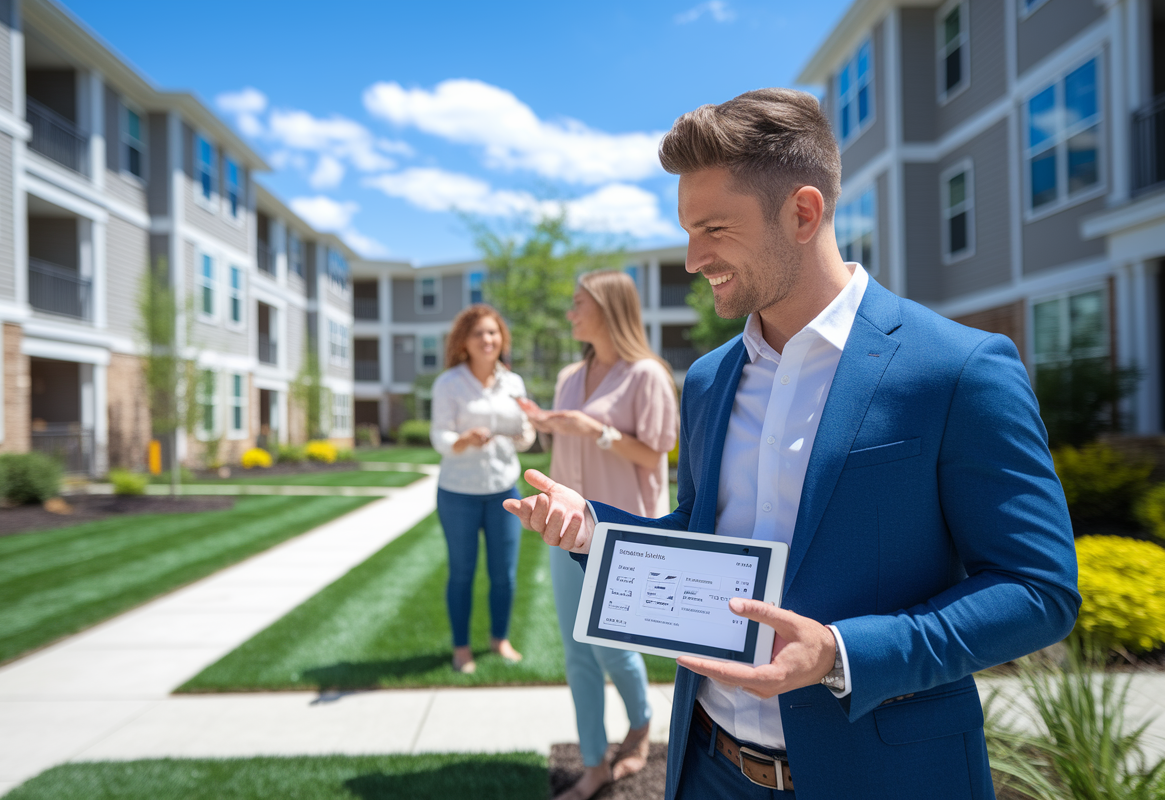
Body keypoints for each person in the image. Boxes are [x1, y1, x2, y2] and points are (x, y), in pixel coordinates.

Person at [504, 89, 1080, 799]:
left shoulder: (958, 369)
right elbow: (706, 536)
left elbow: (1039, 589)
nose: (692, 259)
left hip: (881, 777)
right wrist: (594, 530)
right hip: (709, 767)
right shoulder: (712, 378)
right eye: (688, 231)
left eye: (713, 229)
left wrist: (841, 653)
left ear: (803, 213)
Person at [518, 270, 678, 800]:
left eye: (578, 302)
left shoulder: (646, 375)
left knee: (611, 648)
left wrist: (597, 431)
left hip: (620, 534)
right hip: (566, 533)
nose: (570, 313)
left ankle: (641, 721)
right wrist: (539, 425)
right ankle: (592, 764)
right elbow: (562, 452)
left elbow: (655, 454)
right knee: (576, 650)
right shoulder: (569, 376)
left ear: (608, 308)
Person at [430, 304, 536, 674]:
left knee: (504, 574)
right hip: (458, 492)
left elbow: (525, 435)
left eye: (493, 332)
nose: (487, 339)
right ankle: (461, 649)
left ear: (501, 338)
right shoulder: (449, 383)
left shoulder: (514, 383)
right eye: (479, 333)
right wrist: (461, 440)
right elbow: (439, 434)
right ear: (464, 341)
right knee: (462, 571)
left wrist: (528, 431)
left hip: (503, 491)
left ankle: (499, 639)